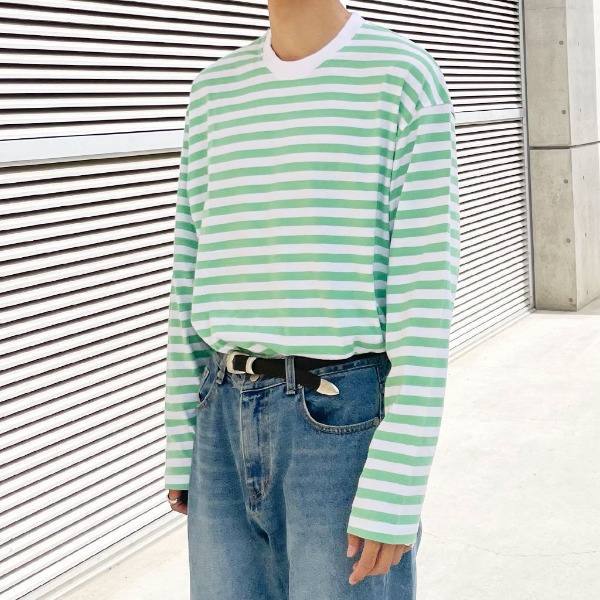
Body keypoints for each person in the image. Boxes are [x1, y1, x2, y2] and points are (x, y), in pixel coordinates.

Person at [163, 1, 460, 598]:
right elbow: (190, 266)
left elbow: (424, 289)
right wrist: (182, 439)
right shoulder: (213, 92)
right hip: (221, 417)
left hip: (339, 424)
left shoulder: (402, 77)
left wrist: (398, 481)